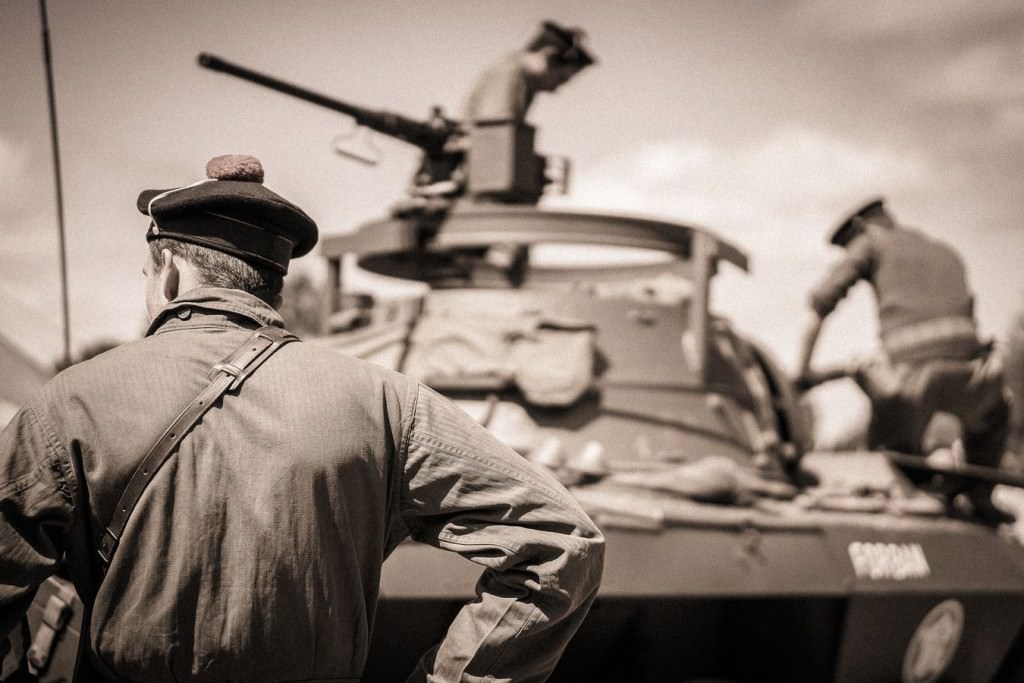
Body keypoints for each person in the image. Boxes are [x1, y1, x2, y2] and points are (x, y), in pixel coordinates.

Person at [0, 154, 604, 681]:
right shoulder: (387, 401)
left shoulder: (72, 399)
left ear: (171, 270)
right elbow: (561, 539)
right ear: (274, 284)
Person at [796, 197, 1012, 525]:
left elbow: (820, 306)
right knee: (995, 412)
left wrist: (802, 372)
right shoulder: (943, 249)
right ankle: (981, 494)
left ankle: (902, 477)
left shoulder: (869, 243)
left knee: (889, 419)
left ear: (860, 227)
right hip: (973, 379)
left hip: (911, 386)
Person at [462, 20, 595, 126]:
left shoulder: (523, 81)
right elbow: (497, 139)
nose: (556, 88)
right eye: (560, 78)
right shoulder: (508, 75)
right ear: (548, 56)